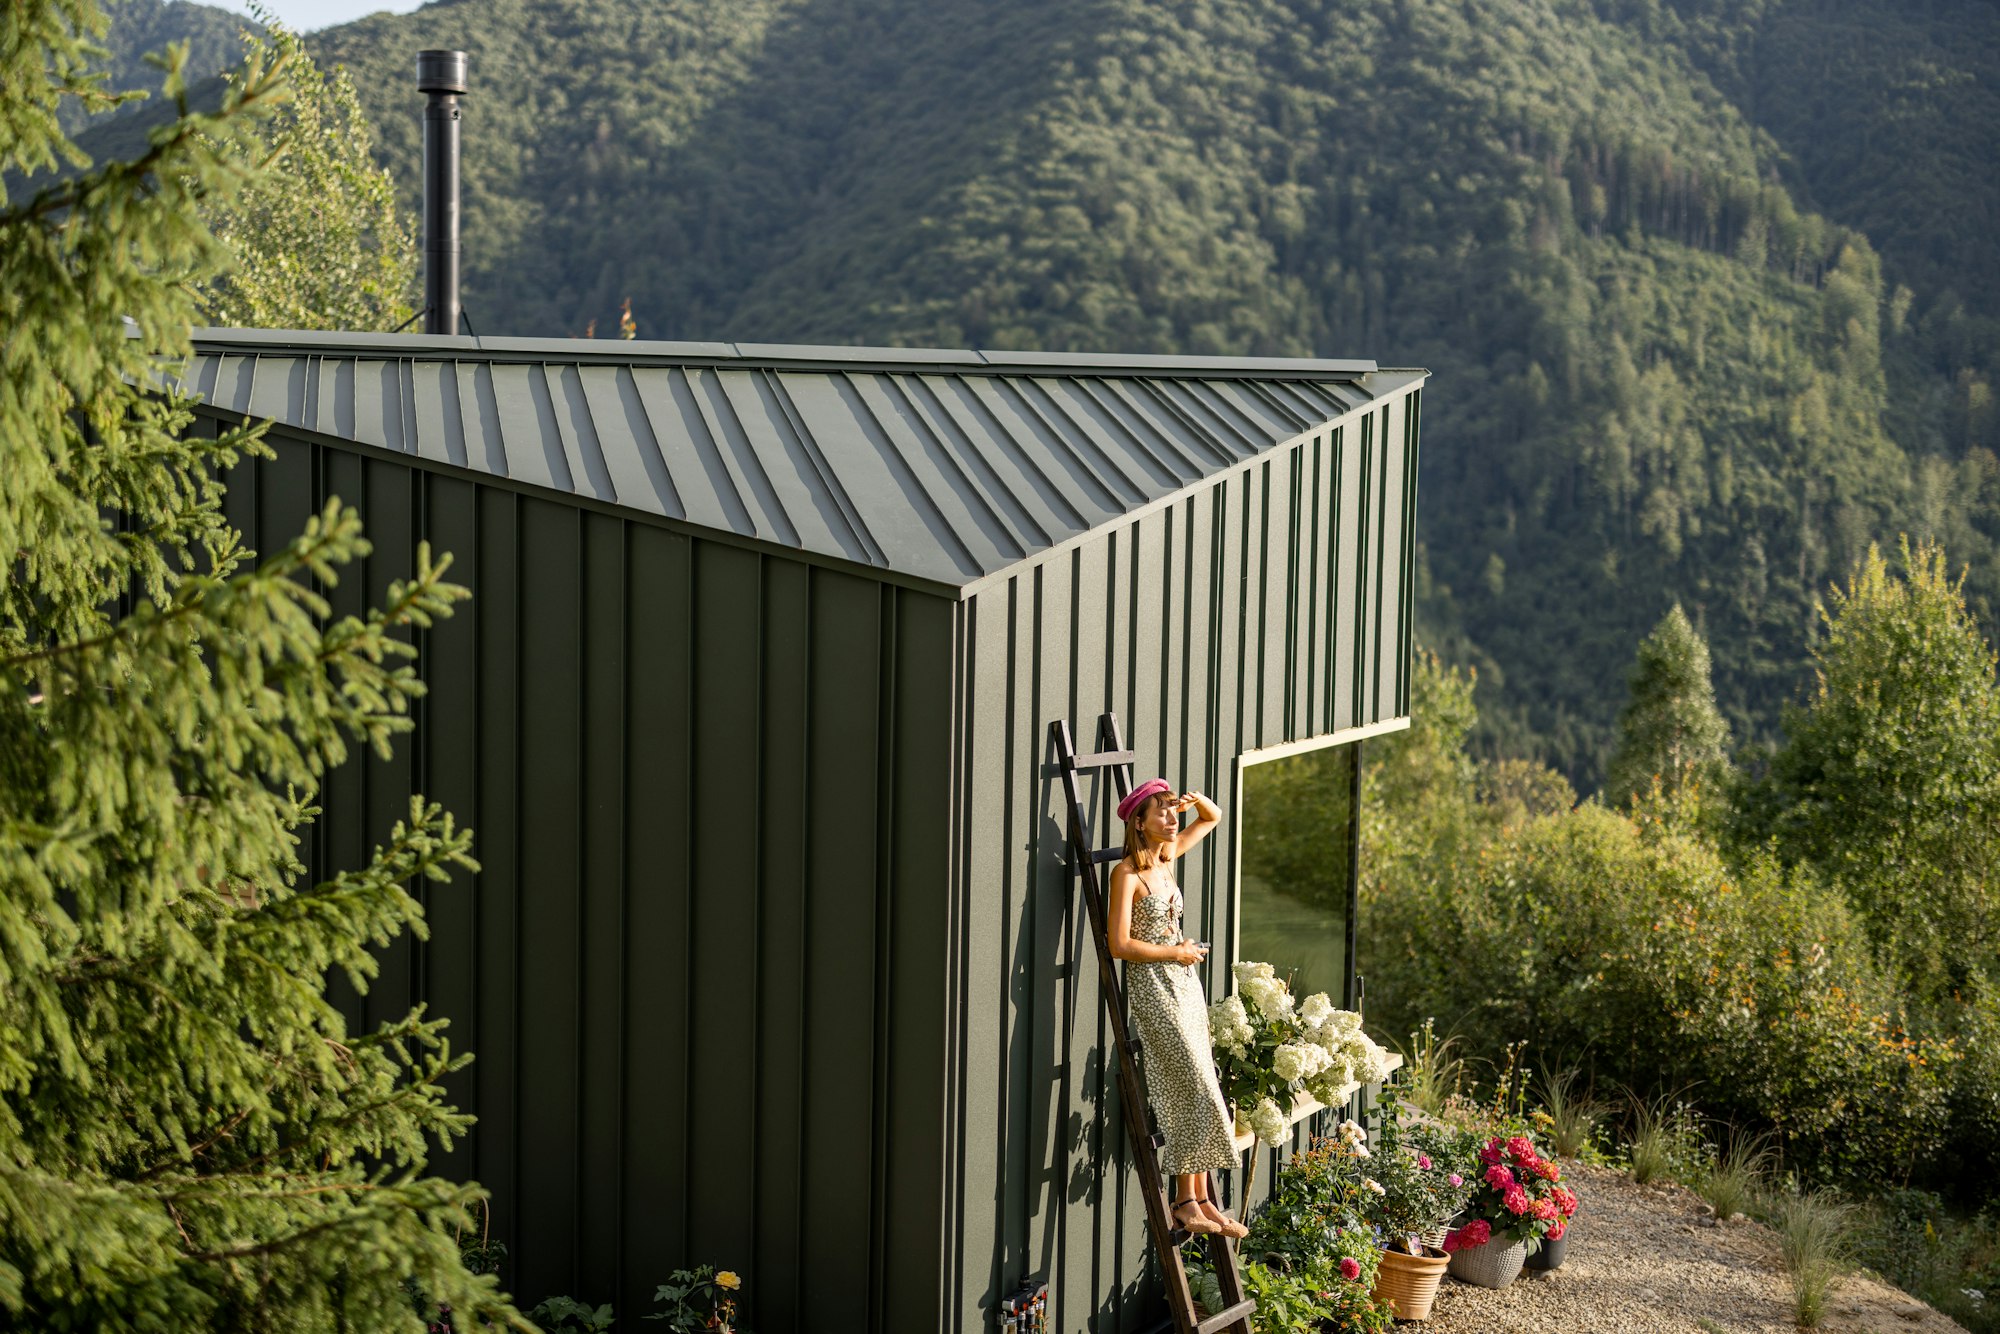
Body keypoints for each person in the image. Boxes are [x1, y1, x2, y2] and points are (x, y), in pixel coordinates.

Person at [1106, 778, 1246, 1239]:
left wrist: (1193, 801)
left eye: (1172, 809)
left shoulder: (1167, 858)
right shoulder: (1128, 874)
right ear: (1139, 824)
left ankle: (1198, 1199)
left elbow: (1213, 817)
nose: (1171, 818)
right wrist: (1176, 953)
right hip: (1154, 986)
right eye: (1161, 811)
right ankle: (1187, 1201)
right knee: (1196, 1086)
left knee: (1202, 1084)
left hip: (1186, 985)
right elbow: (1119, 944)